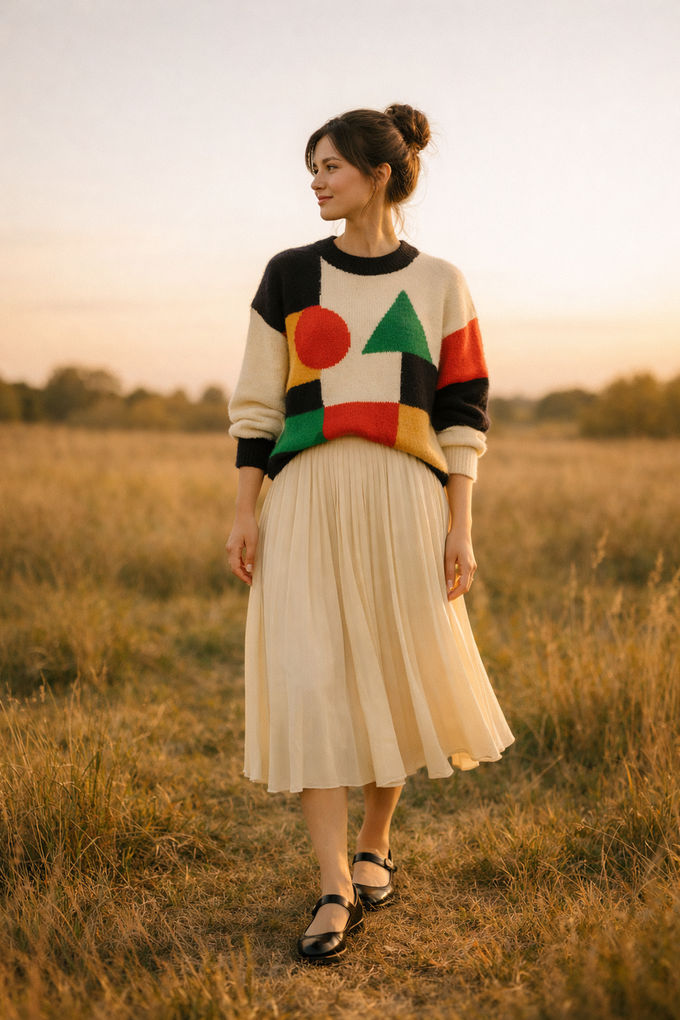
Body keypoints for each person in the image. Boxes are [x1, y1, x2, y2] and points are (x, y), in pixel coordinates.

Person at [226, 104, 514, 965]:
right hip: (307, 492)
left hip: (405, 497)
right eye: (309, 168)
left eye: (329, 167)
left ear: (378, 173)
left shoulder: (440, 284)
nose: (315, 181)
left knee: (390, 671)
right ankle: (332, 886)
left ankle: (375, 843)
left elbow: (464, 413)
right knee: (313, 676)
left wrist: (461, 525)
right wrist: (245, 508)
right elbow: (258, 404)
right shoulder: (286, 275)